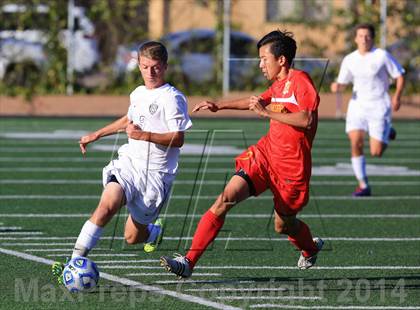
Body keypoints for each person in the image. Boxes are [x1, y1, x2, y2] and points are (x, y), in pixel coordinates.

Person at [160, 30, 323, 278]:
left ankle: (309, 247)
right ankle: (189, 262)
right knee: (224, 199)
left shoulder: (301, 80)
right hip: (264, 156)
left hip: (292, 169)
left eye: (263, 59)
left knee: (284, 225)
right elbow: (255, 101)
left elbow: (306, 119)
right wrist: (219, 105)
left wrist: (267, 113)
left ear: (281, 60)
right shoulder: (278, 85)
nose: (260, 65)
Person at [52, 41, 192, 283]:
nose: (150, 72)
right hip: (129, 164)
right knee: (107, 205)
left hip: (155, 175)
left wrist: (144, 135)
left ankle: (152, 232)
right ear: (138, 65)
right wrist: (97, 134)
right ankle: (73, 261)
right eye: (146, 66)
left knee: (131, 237)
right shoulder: (137, 93)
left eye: (156, 67)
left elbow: (178, 139)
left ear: (165, 67)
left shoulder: (173, 98)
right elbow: (129, 118)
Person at [331, 23, 405, 197]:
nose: (364, 39)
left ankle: (387, 132)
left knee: (376, 152)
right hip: (357, 106)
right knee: (355, 143)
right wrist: (337, 86)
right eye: (361, 36)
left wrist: (397, 97)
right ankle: (363, 185)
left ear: (373, 38)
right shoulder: (349, 59)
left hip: (379, 106)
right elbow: (342, 82)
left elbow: (399, 75)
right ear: (355, 38)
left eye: (367, 36)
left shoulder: (381, 56)